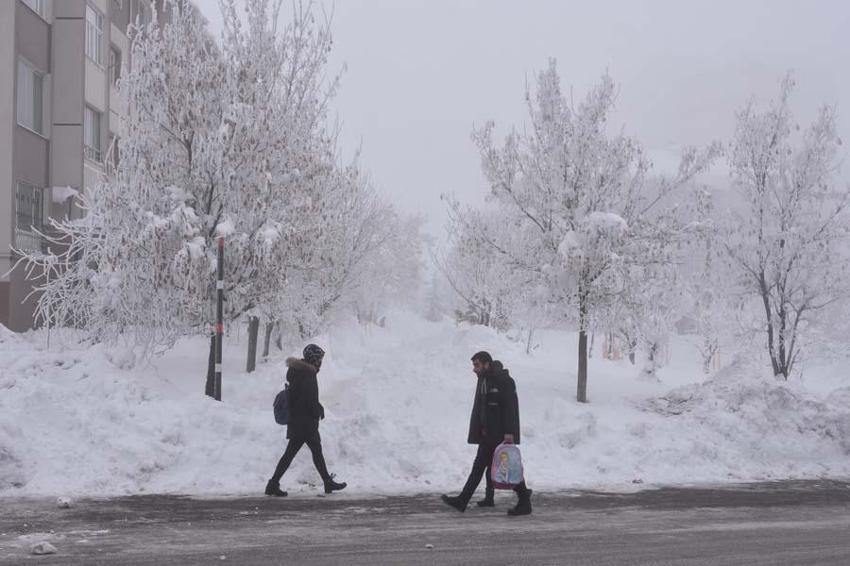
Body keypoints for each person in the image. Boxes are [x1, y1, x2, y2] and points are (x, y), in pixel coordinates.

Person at [441, 351, 532, 516]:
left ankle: (524, 500)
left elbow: (510, 409)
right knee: (488, 466)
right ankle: (472, 499)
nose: (474, 369)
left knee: (504, 467)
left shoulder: (505, 381)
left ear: (487, 364)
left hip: (499, 435)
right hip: (487, 434)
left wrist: (509, 433)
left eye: (477, 365)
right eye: (473, 365)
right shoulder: (484, 380)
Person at [265, 344, 347, 497]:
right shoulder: (307, 374)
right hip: (304, 423)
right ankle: (273, 483)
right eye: (319, 359)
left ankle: (274, 483)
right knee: (303, 453)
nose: (320, 362)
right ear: (313, 359)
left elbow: (302, 397)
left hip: (300, 422)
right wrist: (317, 411)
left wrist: (317, 407)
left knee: (307, 452)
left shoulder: (300, 372)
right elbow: (307, 399)